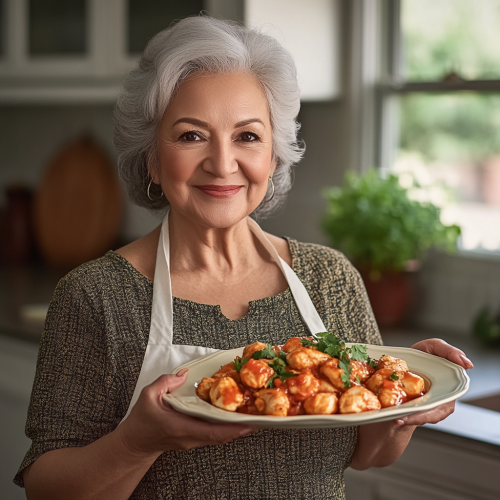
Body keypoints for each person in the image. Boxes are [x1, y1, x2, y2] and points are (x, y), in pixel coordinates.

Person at [15, 16, 473, 500]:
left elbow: (368, 452)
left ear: (273, 156)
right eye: (191, 135)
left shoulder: (329, 277)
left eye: (247, 136)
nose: (222, 162)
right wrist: (137, 441)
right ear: (151, 157)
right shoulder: (95, 296)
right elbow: (46, 488)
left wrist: (404, 402)